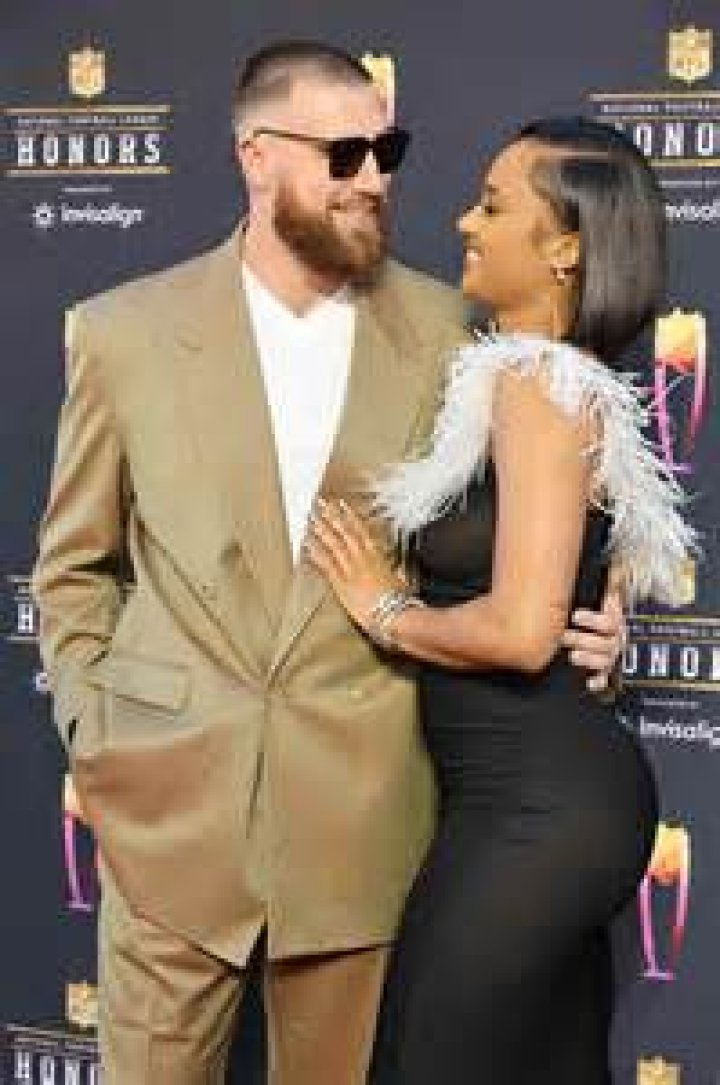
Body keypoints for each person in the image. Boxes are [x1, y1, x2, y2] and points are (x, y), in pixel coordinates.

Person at [32, 41, 621, 1085]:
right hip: (168, 824)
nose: (374, 180)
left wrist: (597, 606)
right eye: (343, 155)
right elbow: (75, 567)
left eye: (387, 152)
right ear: (256, 156)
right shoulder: (123, 334)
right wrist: (96, 728)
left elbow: (543, 499)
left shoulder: (456, 335)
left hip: (362, 825)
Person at [307, 117, 696, 1083]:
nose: (463, 222)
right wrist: (602, 616)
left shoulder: (537, 383)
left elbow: (524, 634)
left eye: (492, 205)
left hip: (537, 812)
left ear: (565, 247)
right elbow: (574, 582)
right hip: (540, 801)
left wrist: (383, 609)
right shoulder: (553, 384)